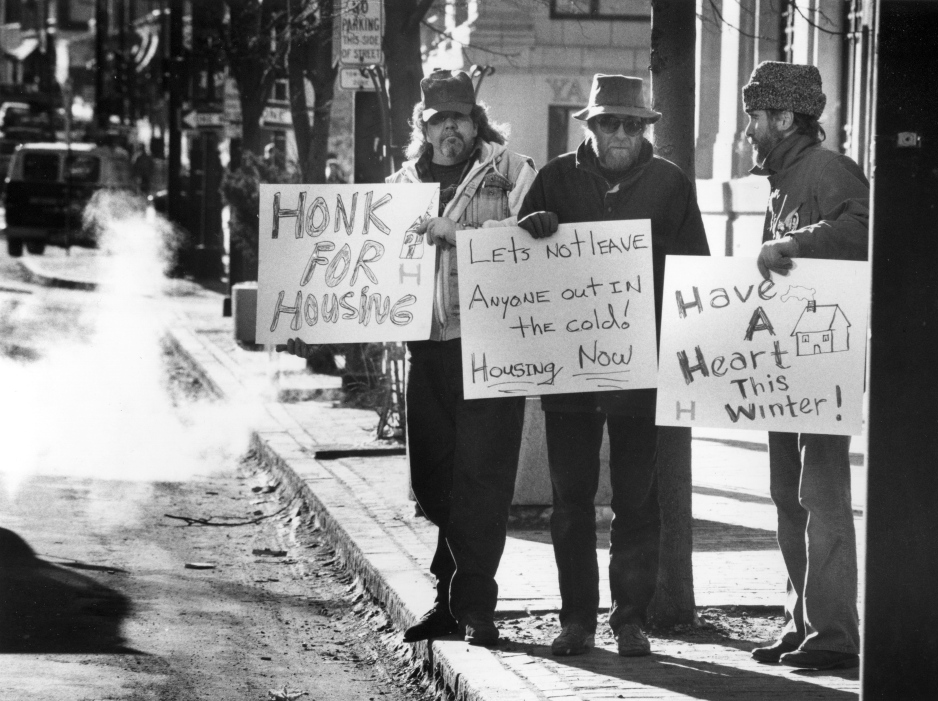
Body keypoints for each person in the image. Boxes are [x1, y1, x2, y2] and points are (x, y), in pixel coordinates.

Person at [284, 69, 536, 647]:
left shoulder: (513, 174)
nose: (451, 129)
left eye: (461, 118)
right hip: (427, 350)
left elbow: (532, 244)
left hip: (491, 347)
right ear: (422, 126)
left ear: (477, 123)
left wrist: (459, 236)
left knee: (483, 479)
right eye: (439, 119)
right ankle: (455, 595)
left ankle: (471, 606)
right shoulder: (398, 188)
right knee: (431, 481)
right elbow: (367, 266)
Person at [517, 73, 710, 658]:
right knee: (571, 500)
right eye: (610, 122)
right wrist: (532, 231)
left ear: (646, 128)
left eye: (633, 123)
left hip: (640, 372)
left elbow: (695, 271)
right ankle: (576, 619)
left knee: (636, 500)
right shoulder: (553, 178)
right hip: (570, 376)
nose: (621, 132)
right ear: (592, 127)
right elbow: (515, 266)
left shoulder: (670, 184)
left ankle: (631, 618)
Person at [742, 61, 869, 671]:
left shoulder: (828, 168)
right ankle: (804, 624)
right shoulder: (782, 178)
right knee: (786, 496)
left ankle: (836, 634)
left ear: (786, 119)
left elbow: (869, 228)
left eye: (756, 117)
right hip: (785, 366)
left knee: (820, 496)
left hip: (824, 363)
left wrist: (795, 242)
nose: (749, 130)